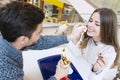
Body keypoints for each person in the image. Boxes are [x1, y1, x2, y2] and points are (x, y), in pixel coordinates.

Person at [0, 1, 83, 80]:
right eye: (39, 32)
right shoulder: (6, 70)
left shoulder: (9, 35)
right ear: (23, 39)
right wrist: (57, 76)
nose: (42, 32)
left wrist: (71, 37)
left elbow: (41, 42)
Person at [77, 8, 120, 80]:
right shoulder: (89, 40)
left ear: (106, 29)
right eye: (90, 20)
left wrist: (95, 70)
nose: (90, 25)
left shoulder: (109, 51)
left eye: (97, 24)